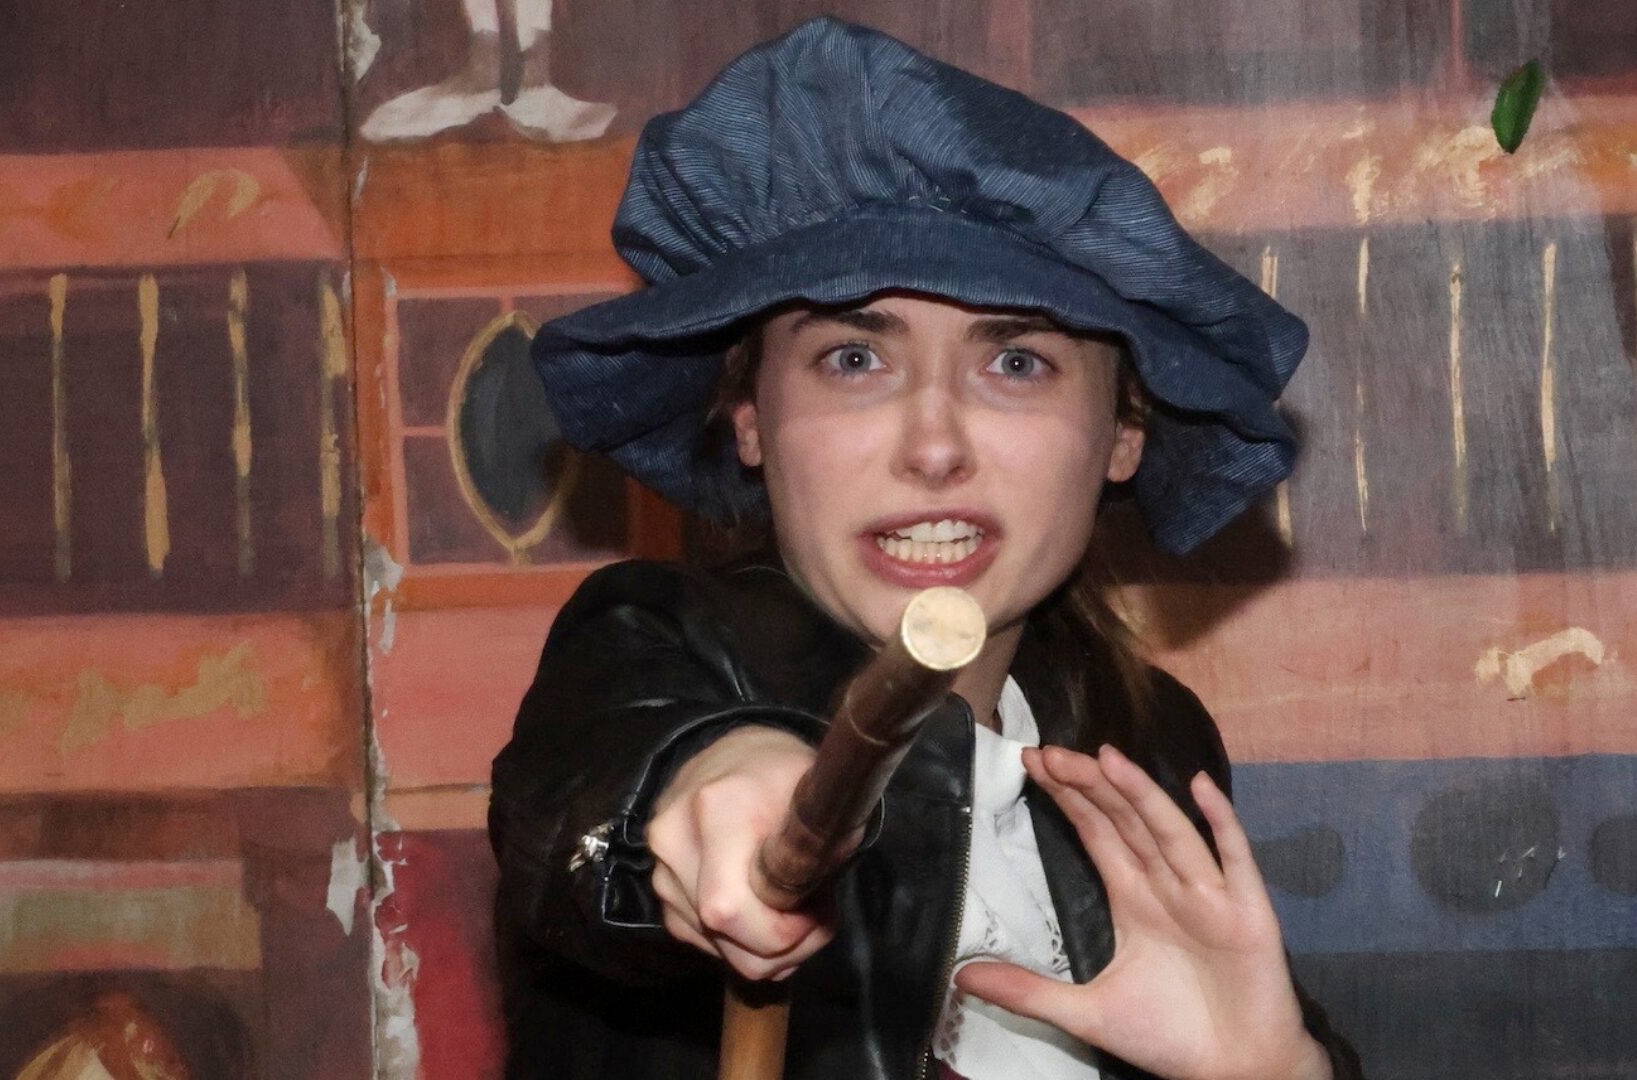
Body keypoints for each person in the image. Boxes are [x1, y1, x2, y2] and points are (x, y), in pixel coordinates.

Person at [489, 17, 1363, 1080]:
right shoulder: (651, 644)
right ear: (750, 413)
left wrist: (1276, 1071)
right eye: (854, 360)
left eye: (1018, 364)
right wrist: (710, 789)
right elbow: (606, 777)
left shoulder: (1149, 749)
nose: (935, 446)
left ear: (1124, 431)